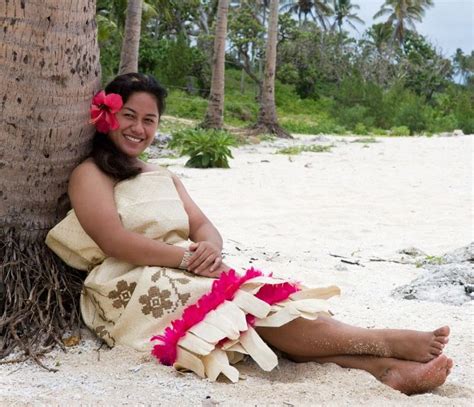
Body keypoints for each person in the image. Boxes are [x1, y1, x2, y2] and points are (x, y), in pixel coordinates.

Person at [46, 73, 453, 395]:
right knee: (247, 312)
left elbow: (203, 225)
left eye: (149, 120)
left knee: (265, 305)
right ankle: (380, 341)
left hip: (187, 267)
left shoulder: (161, 174)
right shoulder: (91, 174)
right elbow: (113, 240)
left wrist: (209, 247)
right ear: (107, 116)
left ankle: (384, 370)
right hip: (130, 282)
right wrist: (188, 259)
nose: (138, 128)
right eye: (129, 116)